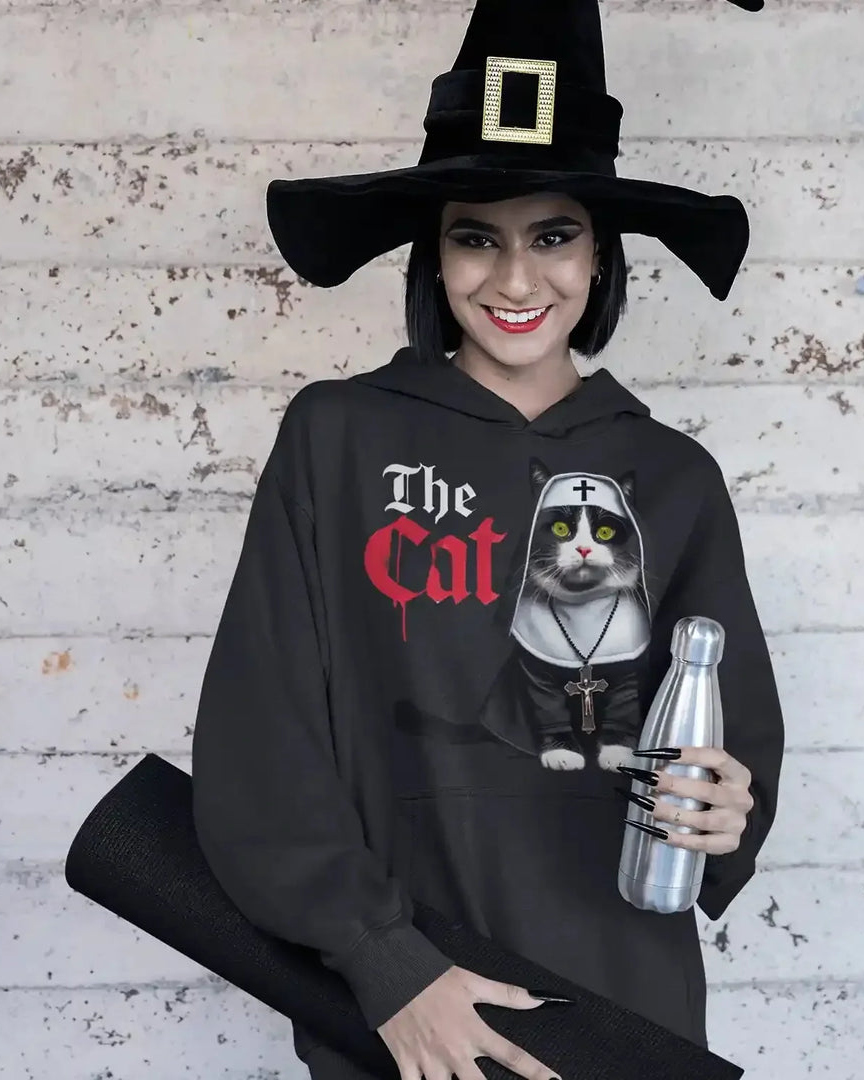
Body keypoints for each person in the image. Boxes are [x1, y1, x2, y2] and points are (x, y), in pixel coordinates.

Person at [190, 2, 784, 1079]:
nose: (515, 281)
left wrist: (727, 809)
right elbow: (259, 743)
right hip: (409, 1012)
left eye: (553, 236)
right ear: (434, 252)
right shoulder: (337, 438)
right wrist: (385, 966)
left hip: (625, 1006)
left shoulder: (675, 477)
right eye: (477, 237)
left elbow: (732, 750)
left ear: (600, 255)